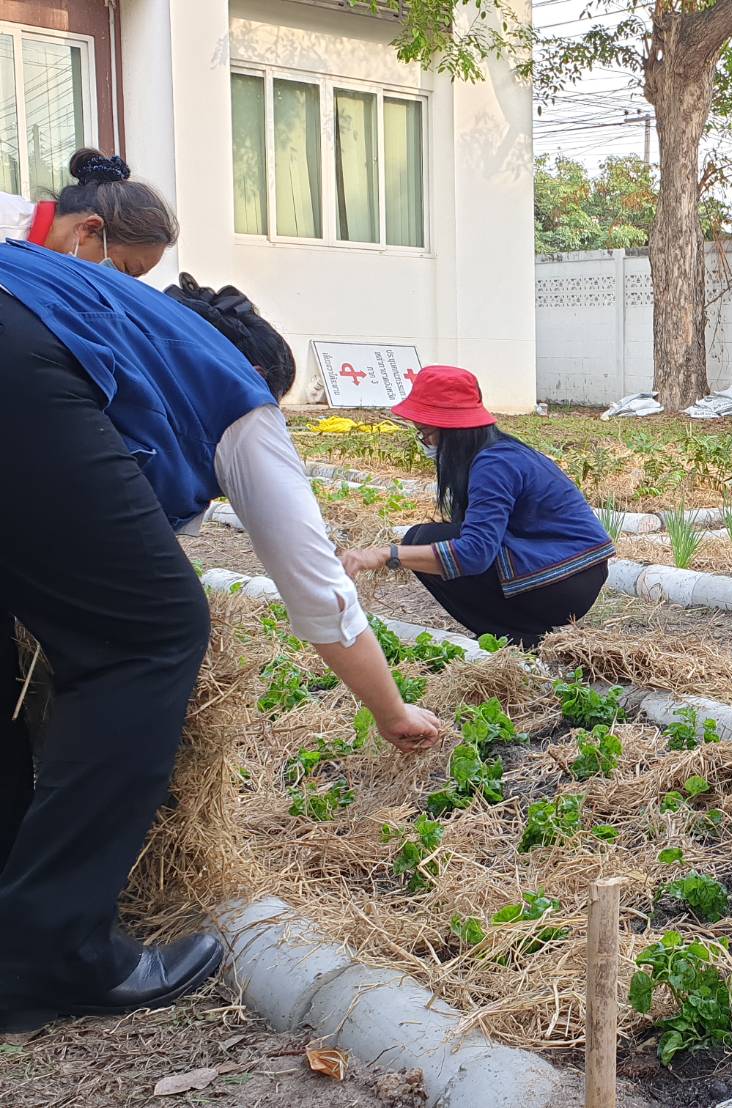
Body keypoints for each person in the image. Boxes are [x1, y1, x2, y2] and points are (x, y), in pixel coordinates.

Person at [0, 242, 442, 1034]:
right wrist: (391, 710)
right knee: (150, 633)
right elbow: (318, 592)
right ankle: (46, 953)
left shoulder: (109, 315)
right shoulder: (234, 391)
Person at [339, 366, 614, 647]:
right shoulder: (496, 453)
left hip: (567, 578)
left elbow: (475, 553)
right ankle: (514, 634)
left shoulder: (494, 464)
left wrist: (386, 555)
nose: (425, 442)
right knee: (432, 539)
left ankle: (514, 637)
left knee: (421, 540)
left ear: (451, 430)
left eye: (425, 432)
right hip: (573, 573)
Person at [0, 148, 177, 277]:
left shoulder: (56, 271)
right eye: (123, 271)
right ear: (89, 229)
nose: (120, 284)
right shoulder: (6, 225)